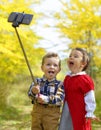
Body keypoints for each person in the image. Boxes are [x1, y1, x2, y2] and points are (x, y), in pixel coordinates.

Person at [59, 48, 99, 130]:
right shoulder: (67, 77)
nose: (71, 57)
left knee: (79, 126)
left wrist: (90, 112)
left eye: (75, 56)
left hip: (79, 111)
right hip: (67, 109)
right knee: (66, 125)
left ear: (83, 63)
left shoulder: (85, 79)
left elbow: (90, 96)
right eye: (70, 55)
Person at [28, 52, 64, 130]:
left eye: (55, 65)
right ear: (42, 68)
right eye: (48, 64)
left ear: (59, 69)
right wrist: (33, 92)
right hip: (37, 113)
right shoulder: (37, 82)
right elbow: (30, 95)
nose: (51, 67)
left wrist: (46, 99)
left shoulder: (60, 84)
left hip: (52, 115)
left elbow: (59, 99)